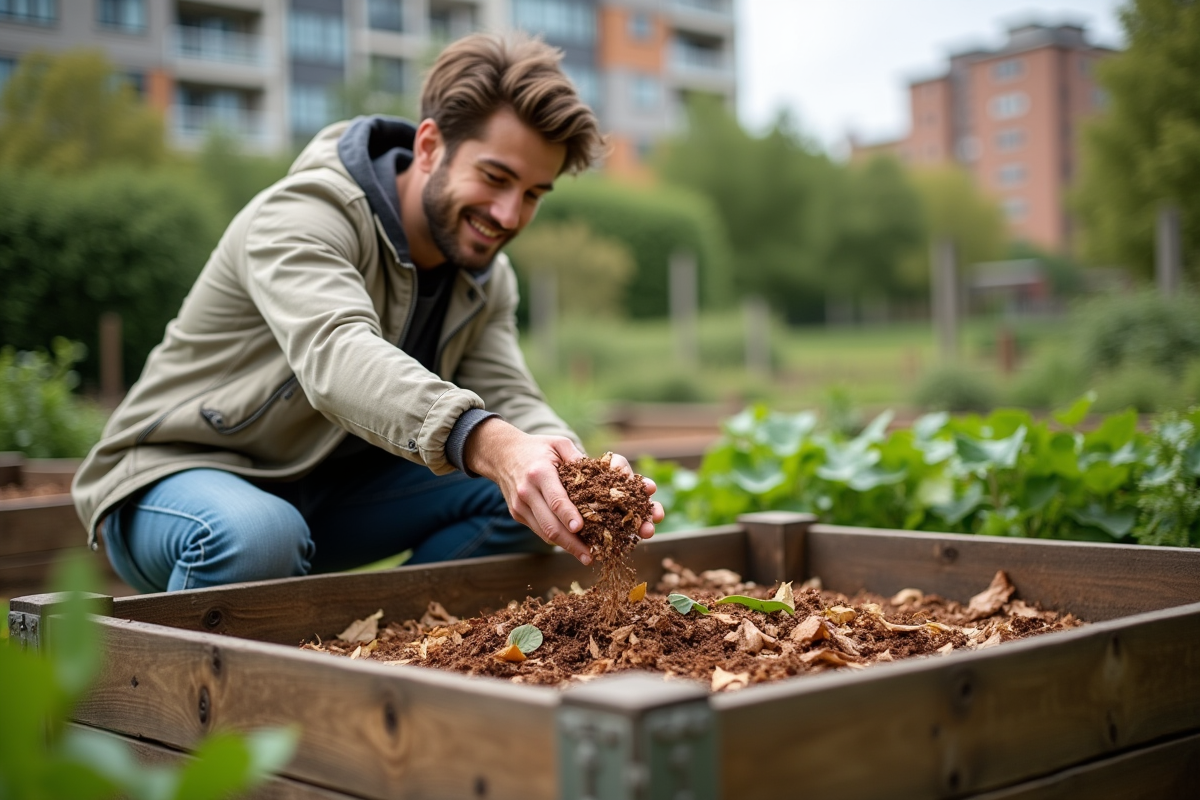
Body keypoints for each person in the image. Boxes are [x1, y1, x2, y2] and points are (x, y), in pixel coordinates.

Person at [71, 33, 663, 593]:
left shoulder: (485, 277)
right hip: (175, 480)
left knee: (528, 508)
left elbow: (509, 392)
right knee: (258, 536)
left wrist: (576, 474)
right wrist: (491, 444)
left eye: (533, 193)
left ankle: (405, 649)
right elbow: (337, 355)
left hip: (325, 498)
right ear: (430, 146)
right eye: (495, 177)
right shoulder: (304, 214)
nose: (509, 214)